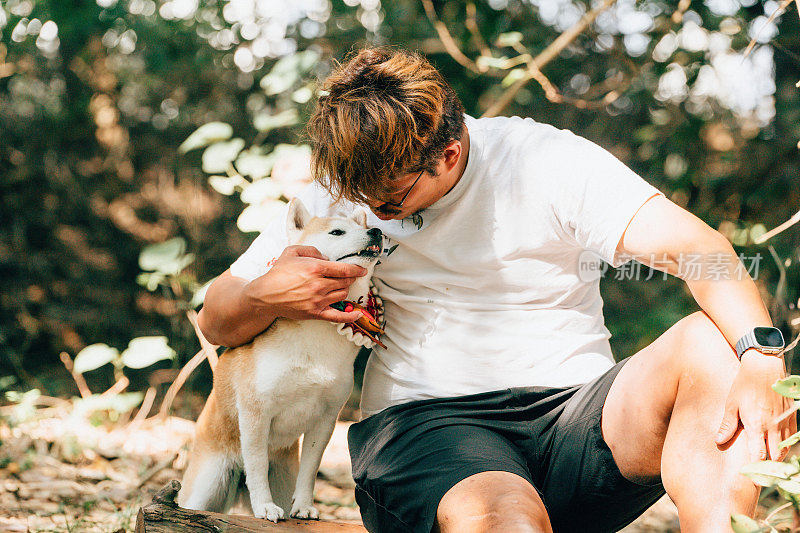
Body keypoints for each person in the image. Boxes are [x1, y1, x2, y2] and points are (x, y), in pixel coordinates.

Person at [197, 47, 795, 532]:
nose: (372, 213)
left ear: (448, 153)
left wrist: (763, 354)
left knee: (713, 346)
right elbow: (217, 324)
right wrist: (266, 296)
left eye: (390, 202)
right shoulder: (348, 194)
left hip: (576, 419)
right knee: (504, 518)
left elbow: (704, 254)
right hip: (429, 429)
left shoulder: (541, 160)